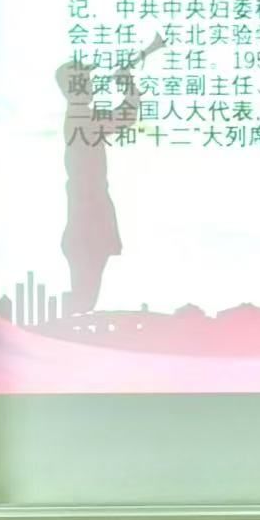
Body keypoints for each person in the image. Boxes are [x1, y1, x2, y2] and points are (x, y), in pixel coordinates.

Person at [58, 34, 163, 315]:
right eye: (85, 80)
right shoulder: (81, 118)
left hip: (87, 223)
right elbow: (126, 116)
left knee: (85, 298)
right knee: (83, 300)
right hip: (87, 225)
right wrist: (126, 82)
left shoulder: (80, 116)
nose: (92, 84)